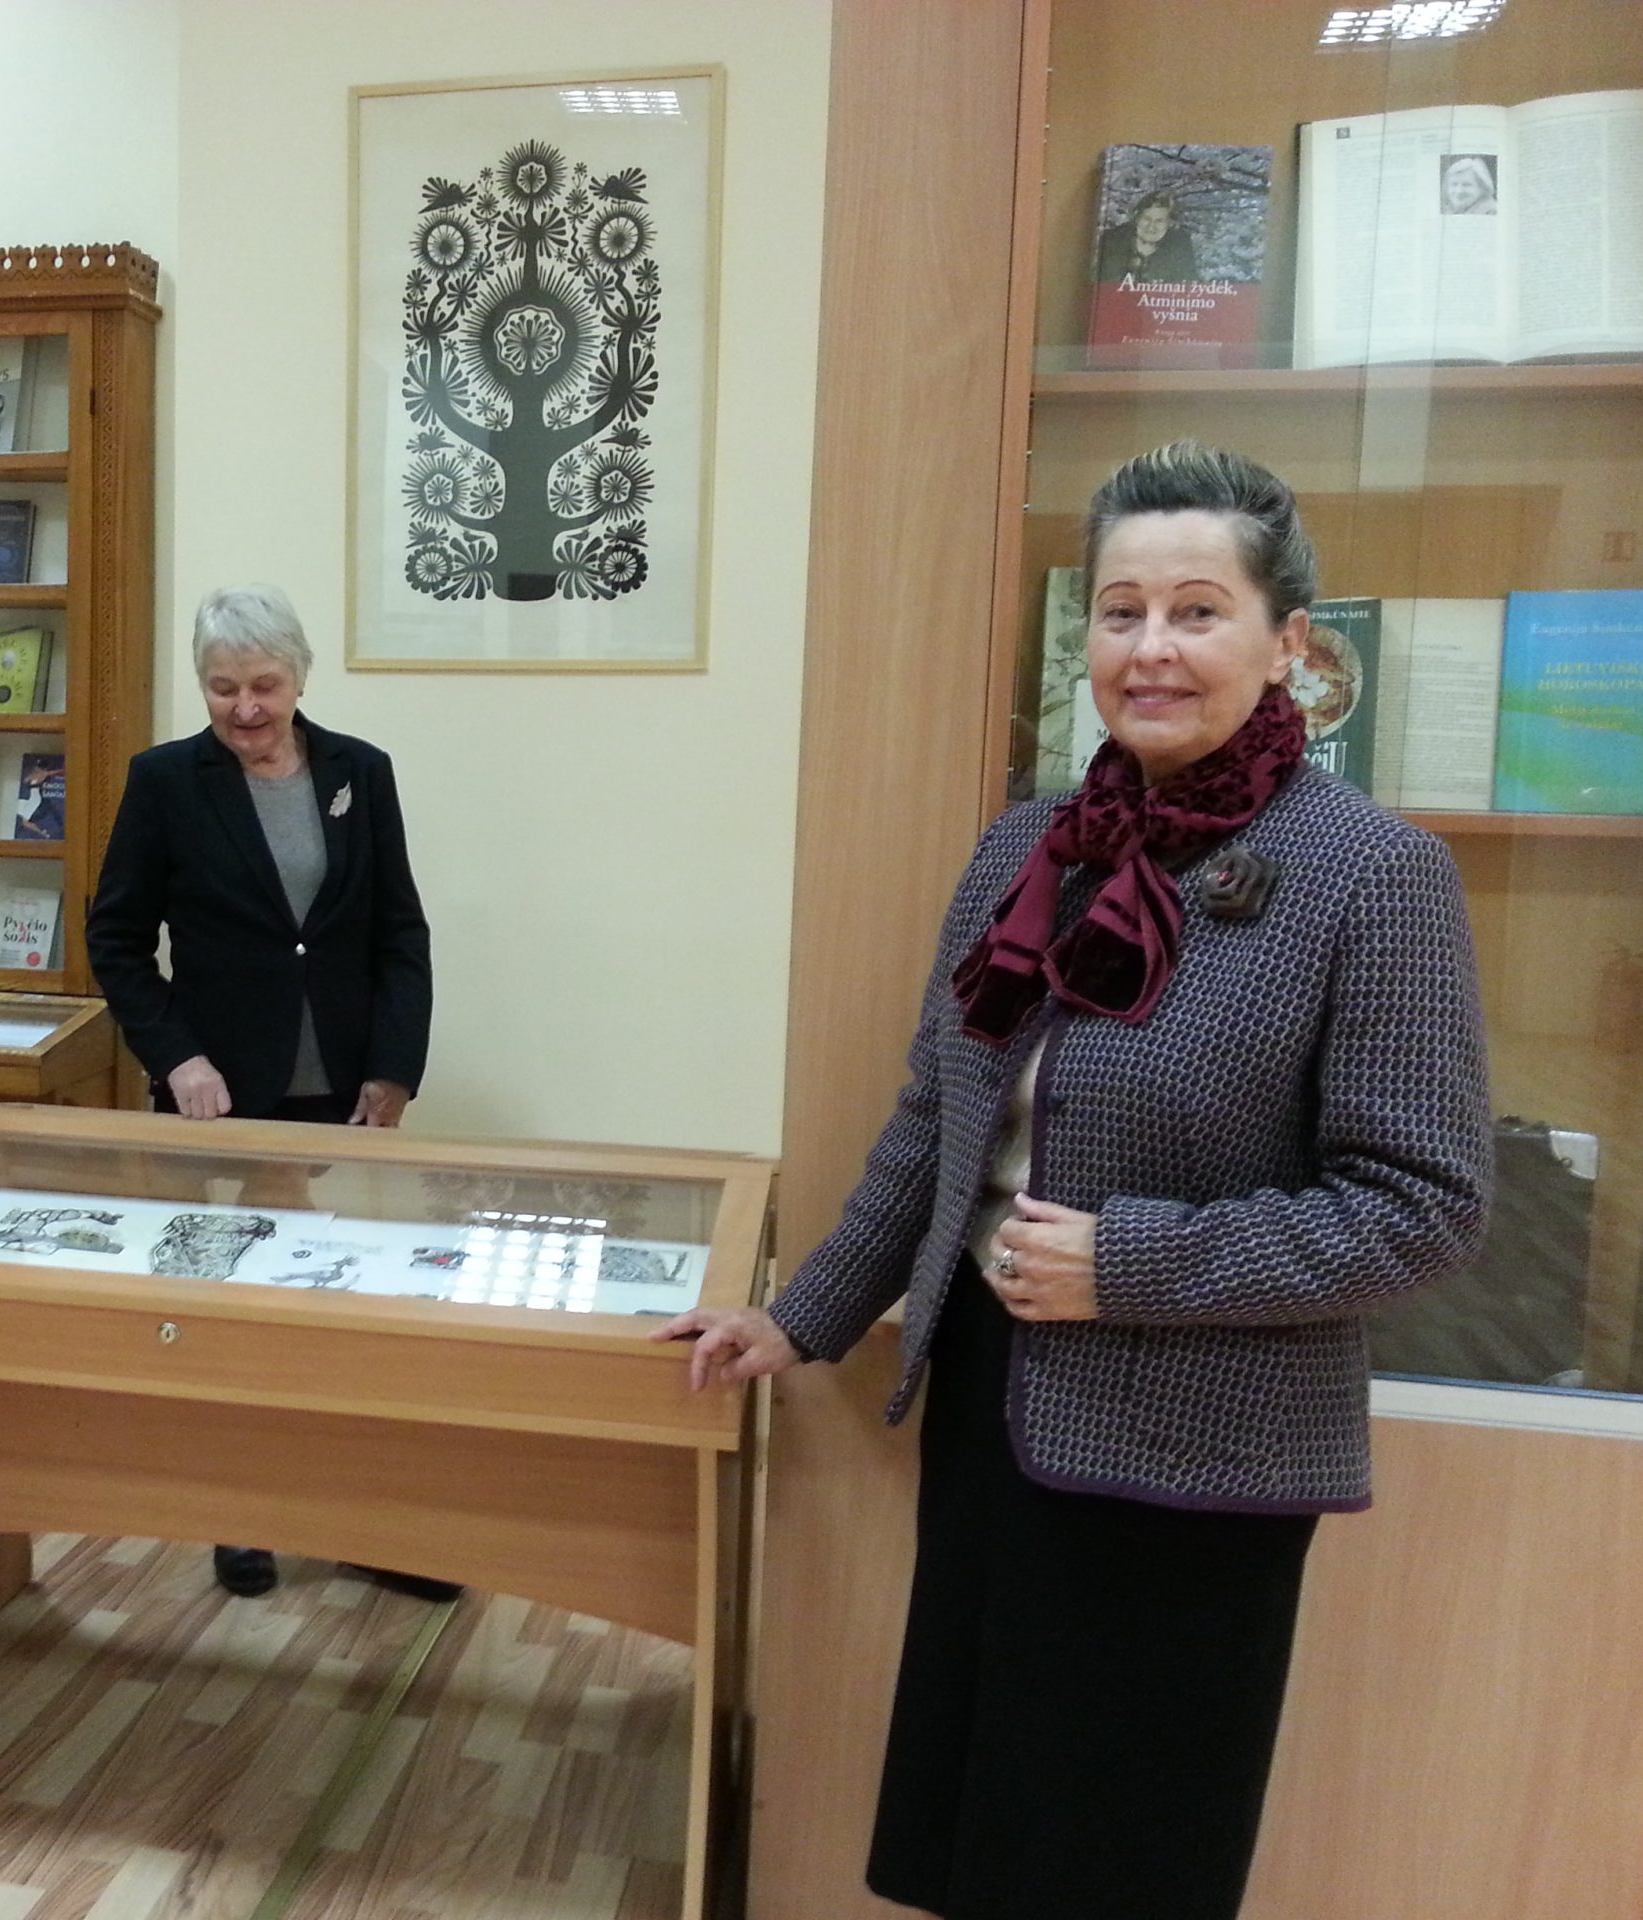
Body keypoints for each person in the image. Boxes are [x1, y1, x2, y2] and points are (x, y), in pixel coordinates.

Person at [657, 442, 1491, 1920]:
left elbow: (1420, 1207)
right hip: (997, 1409)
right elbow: (940, 1119)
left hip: (1197, 1461)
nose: (1150, 648)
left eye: (1197, 611)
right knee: (987, 1829)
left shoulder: (1373, 874)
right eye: (1120, 612)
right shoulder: (1027, 848)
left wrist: (1130, 1263)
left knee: (1117, 1859)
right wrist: (802, 1315)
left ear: (1288, 644)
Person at [87, 583, 436, 1600]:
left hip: (341, 1090)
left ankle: (354, 1518)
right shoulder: (165, 782)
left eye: (265, 685)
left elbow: (398, 932)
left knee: (340, 1310)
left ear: (300, 678)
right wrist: (177, 1058)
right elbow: (115, 939)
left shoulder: (359, 773)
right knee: (238, 1312)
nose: (245, 707)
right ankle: (242, 1513)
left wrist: (392, 1068)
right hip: (219, 1097)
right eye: (222, 687)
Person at [1094, 190, 1201, 284]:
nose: (1151, 226)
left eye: (1159, 221)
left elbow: (1186, 288)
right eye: (1146, 218)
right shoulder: (1111, 243)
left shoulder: (1180, 250)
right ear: (1136, 218)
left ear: (1170, 223)